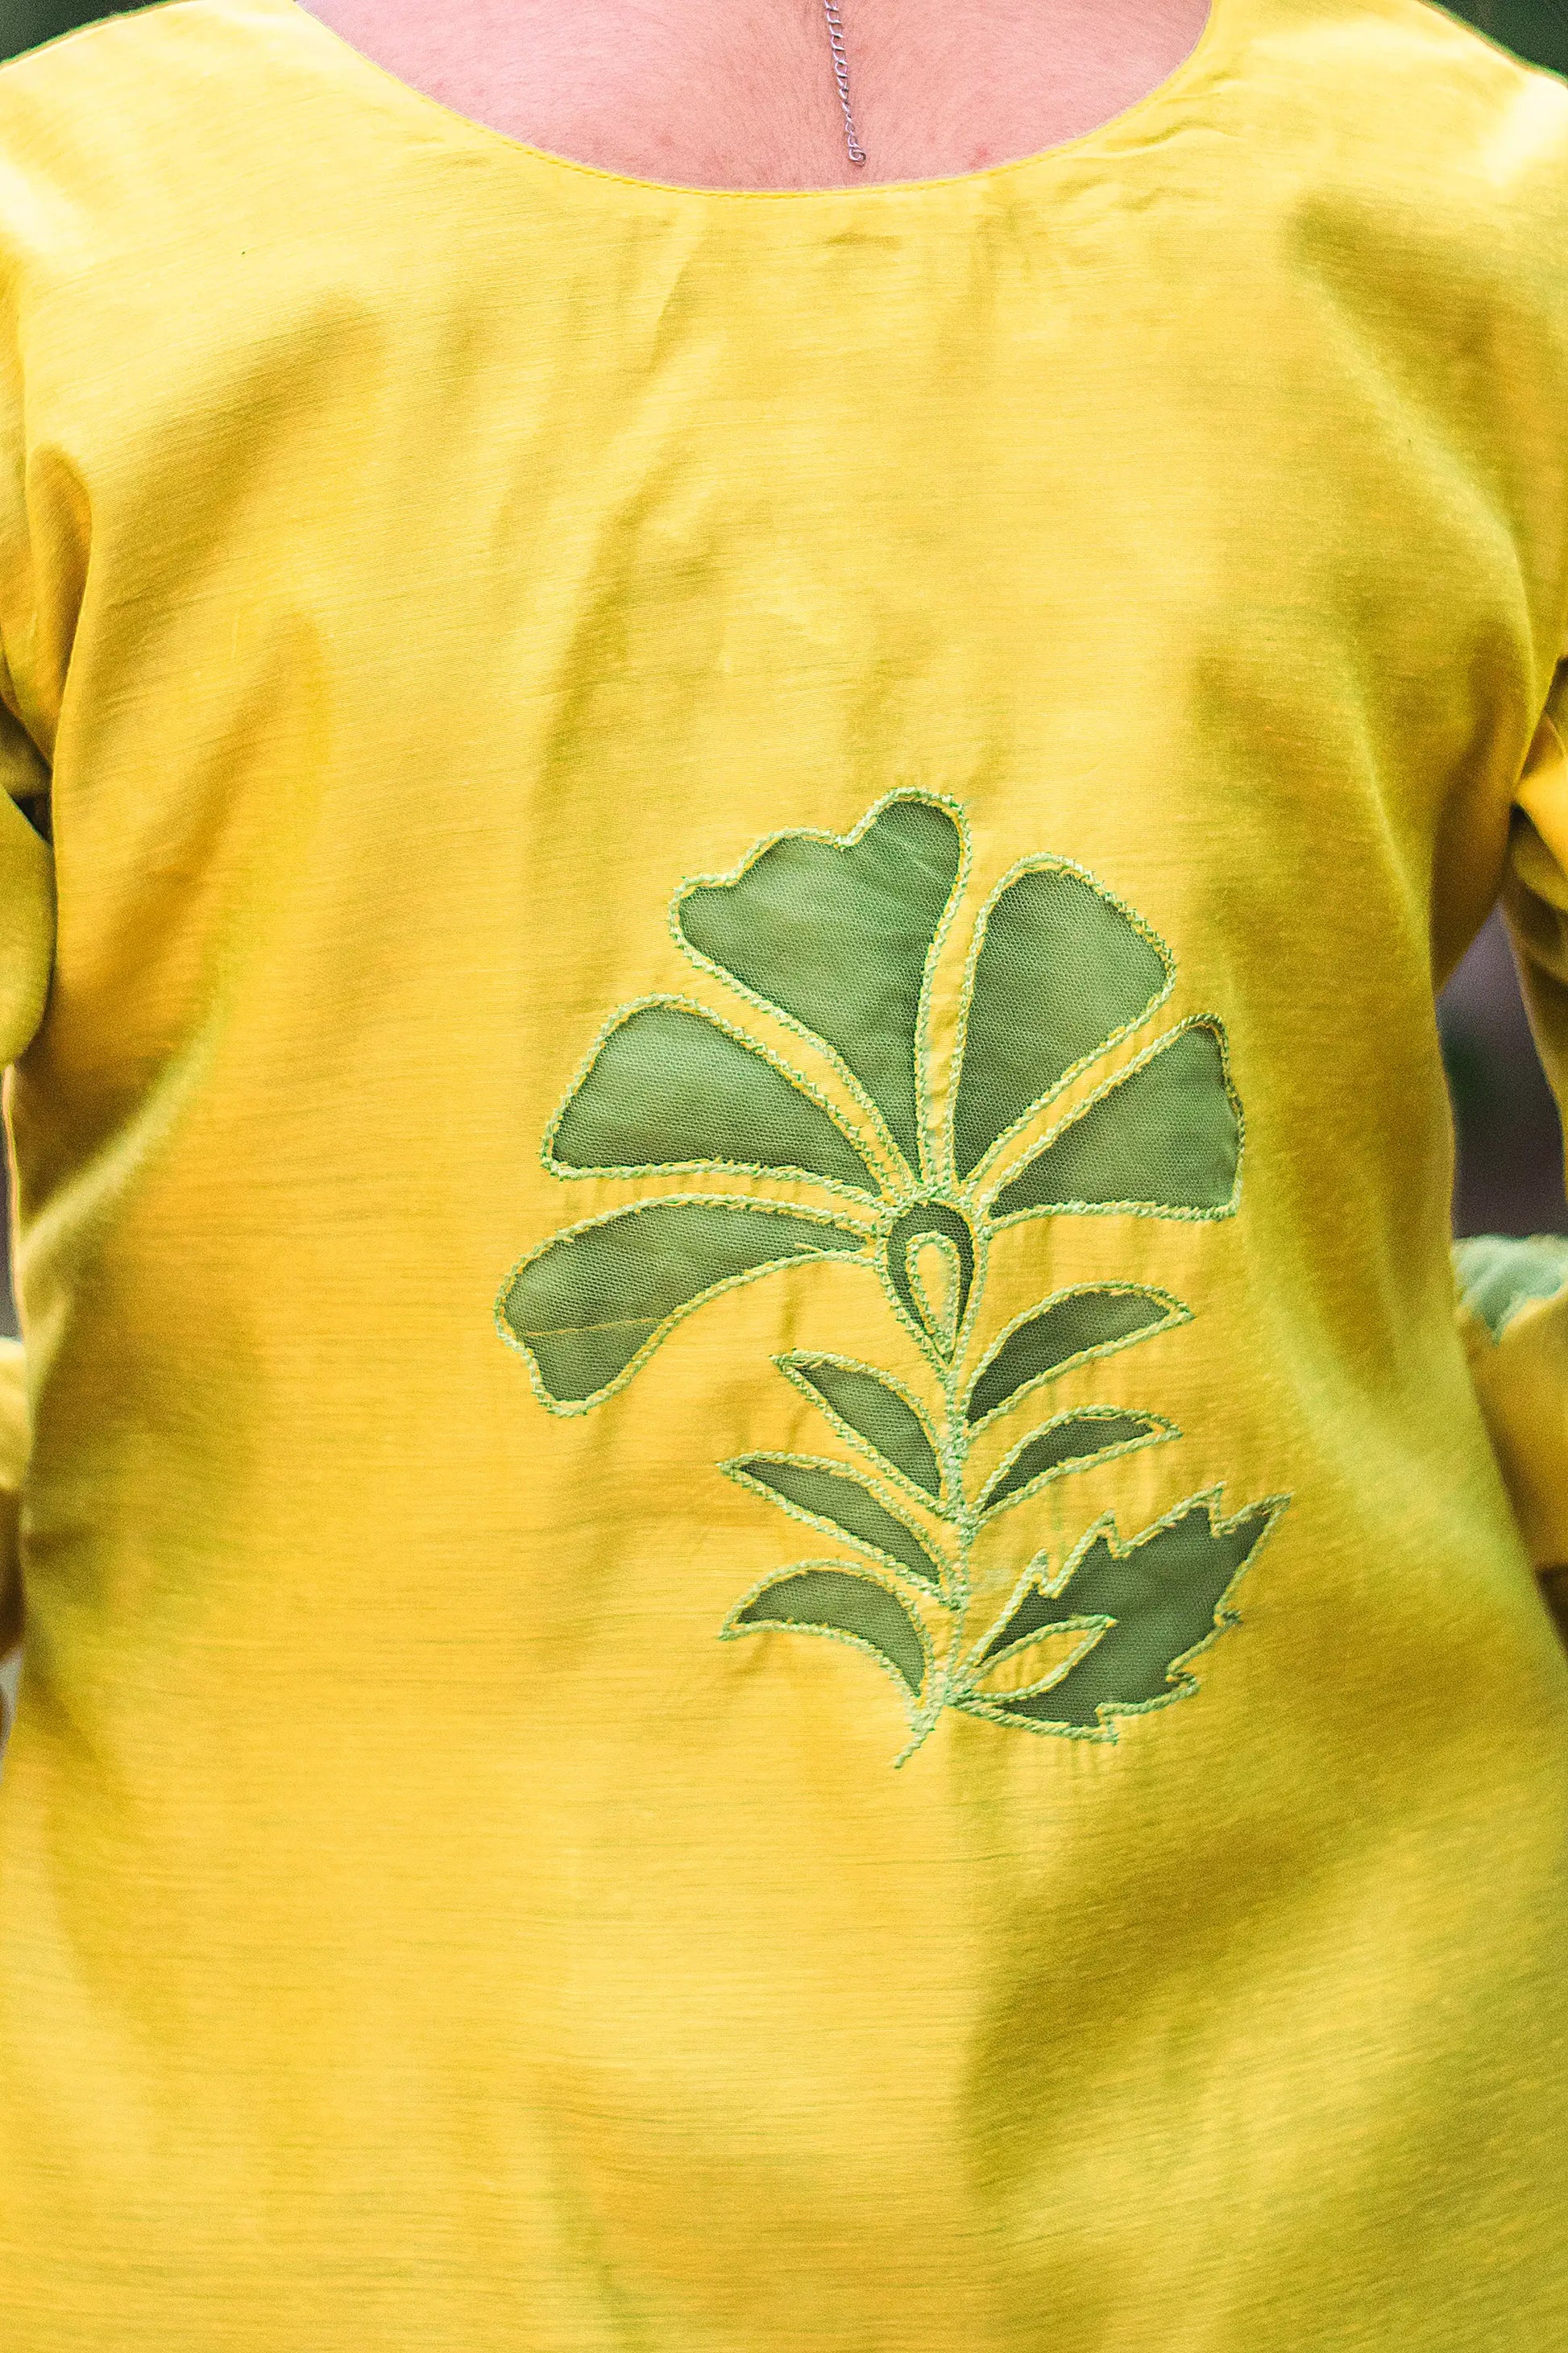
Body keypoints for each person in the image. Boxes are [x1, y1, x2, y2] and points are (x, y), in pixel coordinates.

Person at [1, 1, 1566, 2344]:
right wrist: (1369, 1384)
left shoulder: (81, 244)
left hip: (295, 2195)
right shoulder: (1481, 212)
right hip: (1356, 2204)